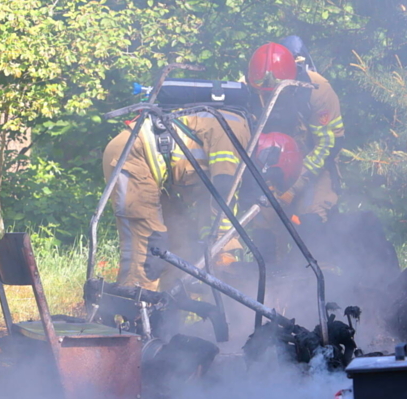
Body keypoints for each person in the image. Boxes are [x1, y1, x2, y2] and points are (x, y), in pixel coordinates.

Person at [102, 108, 251, 289]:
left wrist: (213, 247)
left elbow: (208, 199)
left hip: (156, 174)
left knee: (181, 245)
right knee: (150, 244)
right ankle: (136, 309)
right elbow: (224, 191)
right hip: (132, 155)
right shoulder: (236, 128)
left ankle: (166, 309)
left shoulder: (227, 122)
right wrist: (225, 247)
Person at [246, 37, 344, 235]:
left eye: (274, 90)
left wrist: (294, 188)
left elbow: (327, 145)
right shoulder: (247, 88)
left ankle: (323, 262)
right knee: (266, 220)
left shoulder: (317, 90)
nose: (268, 96)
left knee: (311, 217)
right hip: (270, 165)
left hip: (313, 164)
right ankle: (273, 264)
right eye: (263, 90)